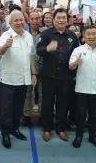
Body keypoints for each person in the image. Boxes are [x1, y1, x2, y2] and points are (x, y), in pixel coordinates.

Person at [36, 8, 79, 142]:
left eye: (63, 18)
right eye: (58, 18)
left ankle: (60, 128)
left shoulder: (72, 36)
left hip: (66, 77)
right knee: (47, 103)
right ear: (53, 19)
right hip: (48, 75)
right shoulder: (46, 34)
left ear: (67, 20)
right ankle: (47, 129)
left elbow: (76, 53)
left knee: (63, 103)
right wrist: (48, 48)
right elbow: (38, 50)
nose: (61, 20)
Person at [0, 10, 37, 149]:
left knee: (18, 107)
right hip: (8, 79)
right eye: (16, 20)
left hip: (24, 79)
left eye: (21, 20)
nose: (19, 22)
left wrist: (33, 73)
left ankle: (15, 128)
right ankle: (5, 133)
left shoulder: (28, 36)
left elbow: (32, 55)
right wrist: (6, 46)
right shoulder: (6, 36)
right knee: (6, 108)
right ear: (10, 23)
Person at [69, 25, 96, 149]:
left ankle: (93, 136)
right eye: (88, 34)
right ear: (84, 36)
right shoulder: (78, 50)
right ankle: (79, 136)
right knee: (80, 114)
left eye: (93, 34)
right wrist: (76, 63)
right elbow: (70, 66)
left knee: (94, 114)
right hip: (82, 88)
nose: (91, 37)